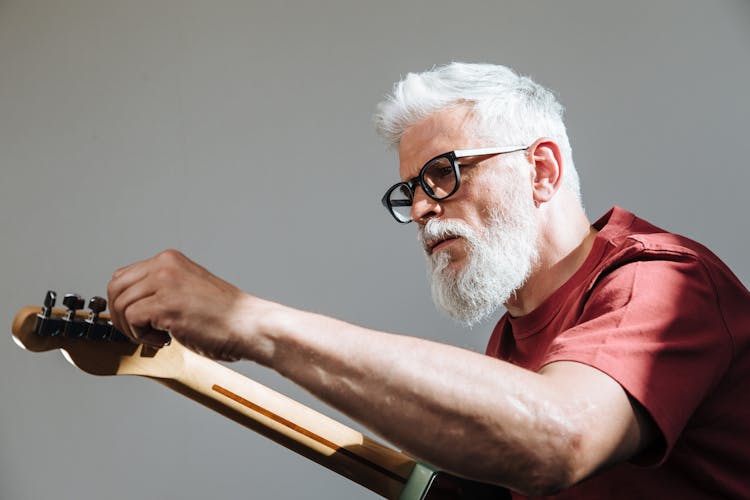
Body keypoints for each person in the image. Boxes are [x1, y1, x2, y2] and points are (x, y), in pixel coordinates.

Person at [107, 63, 750, 498]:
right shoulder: (515, 335)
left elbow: (562, 435)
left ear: (543, 170)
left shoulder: (661, 284)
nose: (419, 209)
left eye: (443, 173)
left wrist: (252, 322)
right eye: (409, 190)